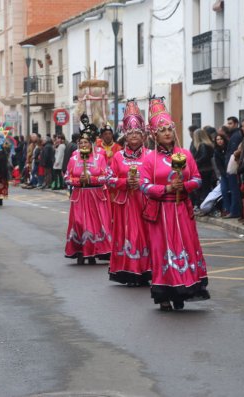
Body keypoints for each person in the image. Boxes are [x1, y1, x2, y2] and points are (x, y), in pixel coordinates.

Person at [140, 96, 210, 311]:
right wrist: (166, 189)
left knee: (186, 248)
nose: (167, 133)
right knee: (163, 250)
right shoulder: (149, 159)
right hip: (161, 211)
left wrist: (185, 186)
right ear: (155, 134)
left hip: (182, 209)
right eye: (162, 130)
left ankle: (184, 289)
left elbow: (198, 179)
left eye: (170, 128)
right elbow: (143, 185)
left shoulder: (185, 154)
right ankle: (164, 293)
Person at [107, 100, 151, 286]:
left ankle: (146, 269)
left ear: (143, 136)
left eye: (137, 133)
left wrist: (142, 183)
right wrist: (125, 182)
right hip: (125, 205)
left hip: (146, 203)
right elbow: (108, 179)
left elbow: (158, 178)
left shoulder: (151, 155)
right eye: (130, 132)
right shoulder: (117, 157)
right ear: (125, 135)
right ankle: (130, 270)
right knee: (129, 235)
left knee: (146, 236)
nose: (134, 136)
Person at [64, 123, 112, 265]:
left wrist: (92, 179)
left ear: (91, 144)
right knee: (79, 224)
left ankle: (93, 252)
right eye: (81, 142)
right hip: (80, 196)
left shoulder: (100, 158)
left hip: (96, 195)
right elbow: (67, 178)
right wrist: (78, 181)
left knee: (95, 225)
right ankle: (80, 250)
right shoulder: (74, 159)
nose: (83, 145)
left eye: (86, 142)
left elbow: (107, 176)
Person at [190, 128, 215, 207]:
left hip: (203, 170)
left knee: (202, 189)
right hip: (208, 169)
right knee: (206, 188)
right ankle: (204, 205)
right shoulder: (209, 144)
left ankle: (203, 205)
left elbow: (203, 157)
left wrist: (195, 163)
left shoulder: (202, 145)